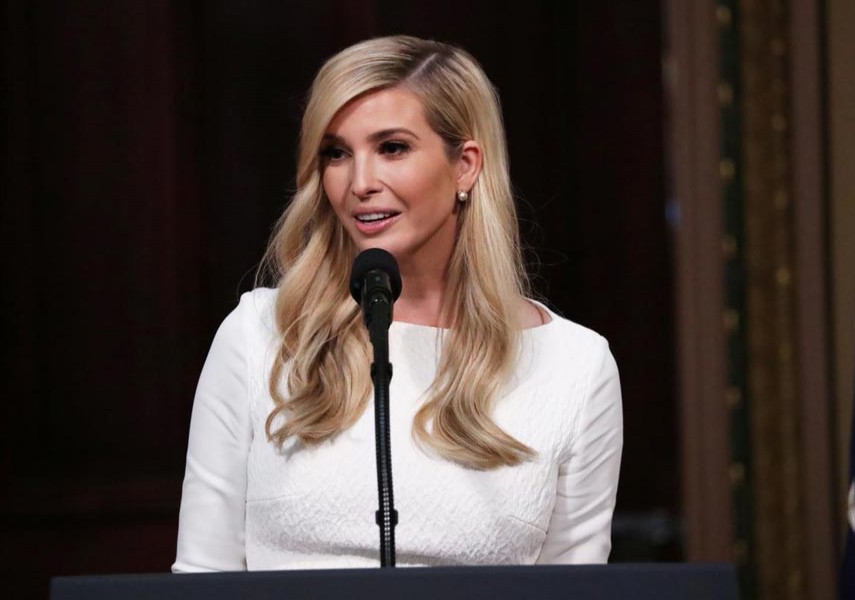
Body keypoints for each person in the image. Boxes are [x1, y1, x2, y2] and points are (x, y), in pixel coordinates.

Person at [172, 34, 622, 572]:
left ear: (466, 166)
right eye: (337, 153)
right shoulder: (257, 335)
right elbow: (202, 577)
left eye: (392, 148)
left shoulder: (576, 365)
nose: (360, 183)